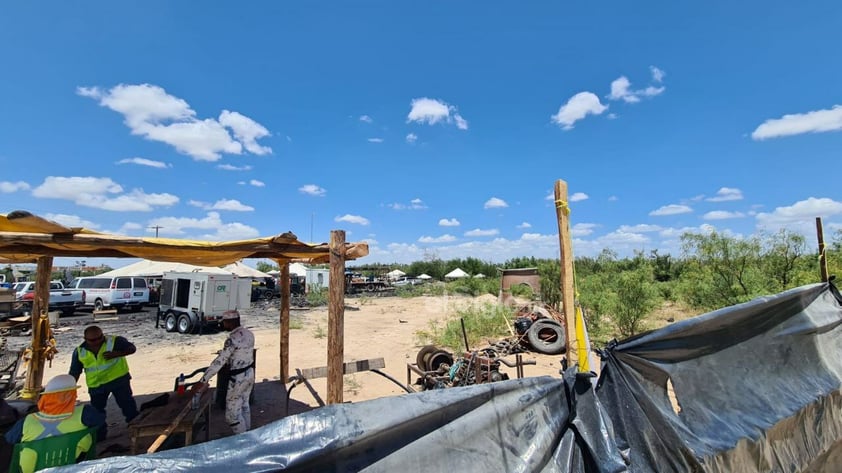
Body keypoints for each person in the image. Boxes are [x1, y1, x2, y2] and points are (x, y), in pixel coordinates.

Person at [5, 374, 104, 473]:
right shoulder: (85, 413)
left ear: (46, 398)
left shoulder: (27, 421)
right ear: (72, 394)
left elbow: (9, 439)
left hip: (32, 469)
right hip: (71, 465)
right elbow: (100, 421)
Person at [69, 326, 139, 439]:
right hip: (97, 385)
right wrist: (69, 388)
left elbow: (132, 349)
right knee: (97, 411)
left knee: (128, 405)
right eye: (92, 340)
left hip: (118, 380)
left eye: (99, 338)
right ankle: (100, 436)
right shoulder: (79, 352)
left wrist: (117, 354)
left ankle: (136, 429)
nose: (97, 342)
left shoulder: (115, 341)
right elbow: (75, 371)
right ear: (85, 339)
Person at [191, 310, 255, 434]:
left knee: (232, 415)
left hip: (238, 378)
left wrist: (203, 380)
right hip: (249, 373)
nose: (223, 324)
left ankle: (243, 441)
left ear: (230, 322)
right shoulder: (249, 334)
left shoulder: (232, 339)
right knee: (244, 405)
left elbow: (219, 362)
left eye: (224, 322)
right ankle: (249, 434)